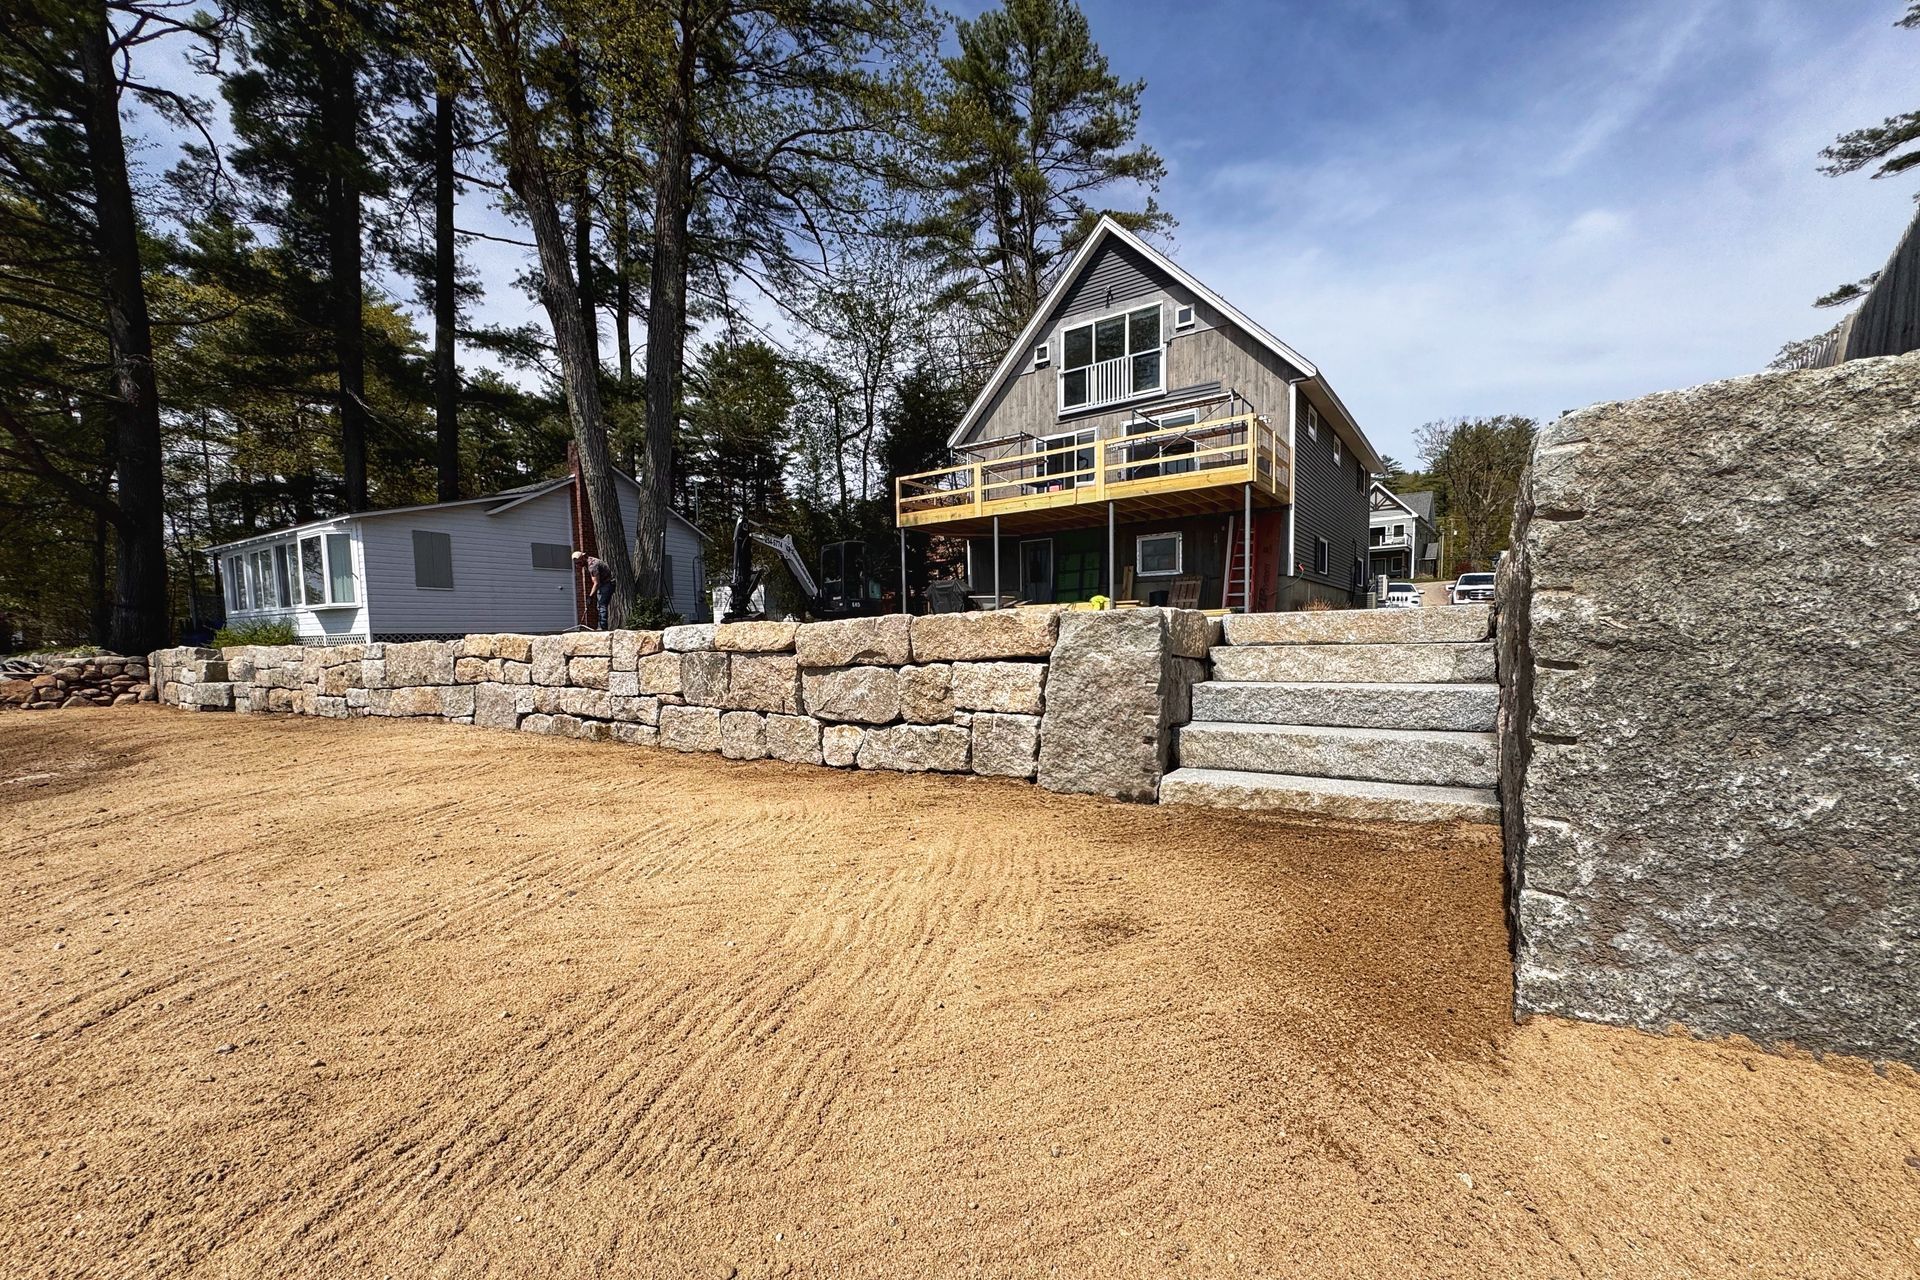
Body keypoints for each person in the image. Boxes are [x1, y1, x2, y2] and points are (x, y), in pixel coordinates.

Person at [572, 550, 614, 629]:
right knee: (599, 606)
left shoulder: (592, 565)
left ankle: (603, 628)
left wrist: (590, 596)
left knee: (602, 605)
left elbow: (596, 583)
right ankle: (600, 626)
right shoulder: (587, 563)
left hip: (608, 584)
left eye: (579, 562)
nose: (578, 565)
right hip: (602, 584)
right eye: (576, 564)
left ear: (583, 557)